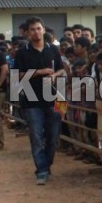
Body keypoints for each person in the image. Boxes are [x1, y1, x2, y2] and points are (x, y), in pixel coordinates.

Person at [13, 17, 65, 185]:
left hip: (52, 99)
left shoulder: (53, 50)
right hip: (31, 100)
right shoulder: (22, 52)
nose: (36, 32)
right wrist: (39, 72)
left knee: (53, 136)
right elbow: (17, 76)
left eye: (38, 28)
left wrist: (54, 76)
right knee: (36, 136)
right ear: (27, 33)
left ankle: (47, 165)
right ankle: (41, 170)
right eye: (32, 29)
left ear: (44, 30)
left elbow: (62, 71)